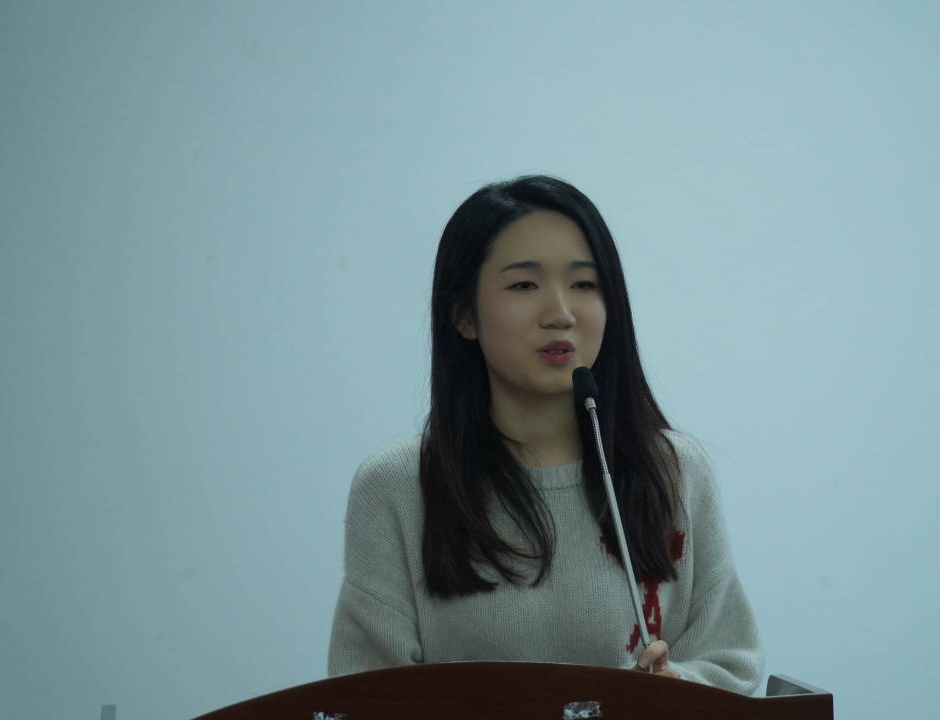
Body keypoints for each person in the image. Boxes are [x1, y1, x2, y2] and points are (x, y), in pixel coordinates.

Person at [326, 175, 762, 692]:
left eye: (584, 285)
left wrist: (672, 689)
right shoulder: (398, 486)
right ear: (463, 315)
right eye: (524, 286)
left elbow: (730, 664)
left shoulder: (674, 470)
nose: (561, 313)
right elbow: (365, 693)